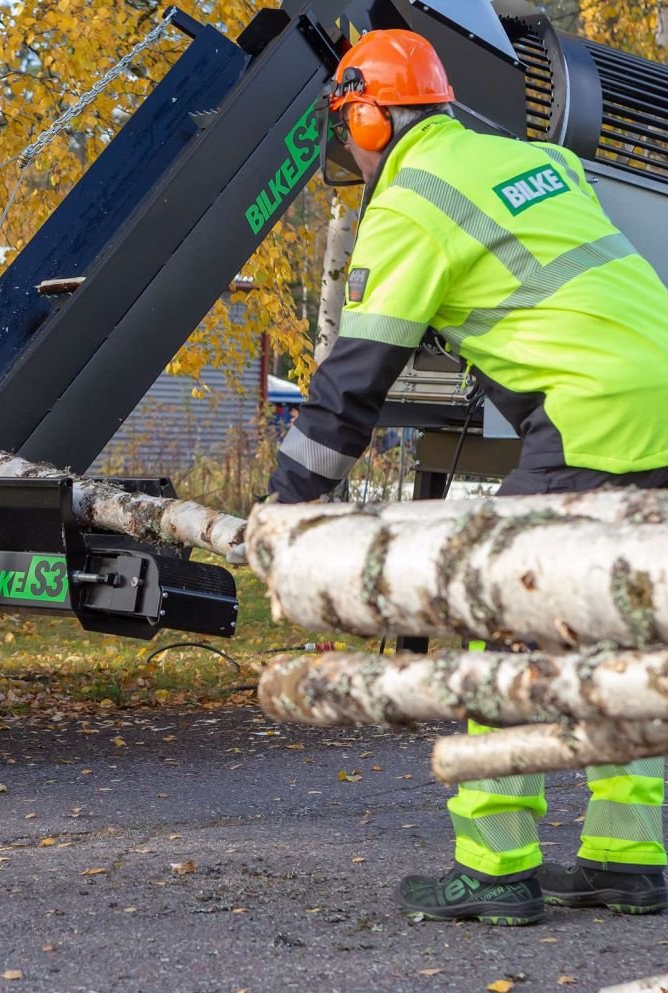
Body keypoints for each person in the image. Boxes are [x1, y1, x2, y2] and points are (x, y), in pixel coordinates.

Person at [267, 29, 668, 925]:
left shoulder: (414, 199)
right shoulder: (528, 159)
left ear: (369, 118)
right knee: (627, 636)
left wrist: (286, 512)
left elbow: (350, 385)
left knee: (501, 627)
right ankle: (628, 857)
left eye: (350, 127)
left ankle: (495, 868)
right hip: (661, 397)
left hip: (588, 416)